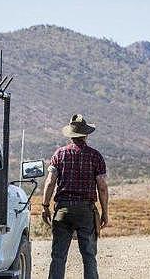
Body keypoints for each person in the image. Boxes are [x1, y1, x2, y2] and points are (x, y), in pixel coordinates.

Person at [41, 114, 109, 279]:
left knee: (58, 256)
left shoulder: (59, 154)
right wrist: (105, 212)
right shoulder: (95, 156)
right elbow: (102, 187)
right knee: (88, 255)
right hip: (86, 211)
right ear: (86, 135)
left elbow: (50, 182)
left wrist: (45, 206)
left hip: (63, 209)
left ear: (71, 135)